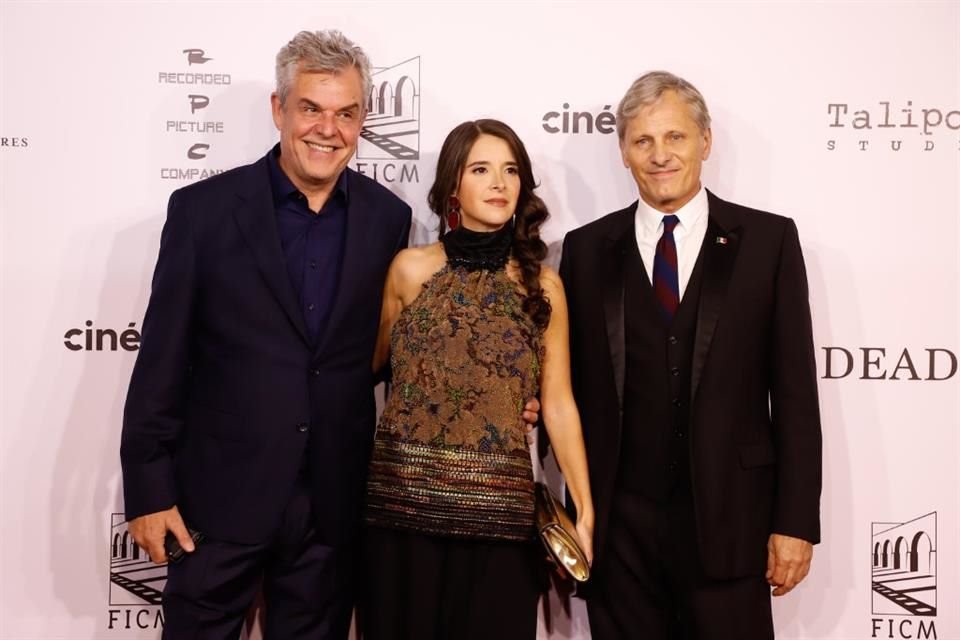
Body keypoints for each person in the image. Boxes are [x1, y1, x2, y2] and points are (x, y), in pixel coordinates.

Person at [119, 30, 413, 639]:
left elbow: (384, 355)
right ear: (279, 109)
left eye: (346, 113)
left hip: (331, 507)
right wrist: (148, 491)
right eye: (310, 108)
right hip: (215, 502)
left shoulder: (389, 218)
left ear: (362, 120)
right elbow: (161, 362)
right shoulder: (202, 212)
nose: (327, 129)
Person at [560, 71, 822, 639]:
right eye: (643, 141)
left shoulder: (768, 242)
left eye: (675, 137)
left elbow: (797, 394)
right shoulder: (584, 250)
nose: (660, 155)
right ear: (623, 151)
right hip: (619, 532)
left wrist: (796, 522)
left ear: (706, 142)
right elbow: (566, 390)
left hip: (733, 524)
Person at [359, 119, 594, 640]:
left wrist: (584, 509)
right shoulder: (409, 270)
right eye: (481, 169)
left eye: (511, 171)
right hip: (403, 517)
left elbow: (558, 404)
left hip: (499, 525)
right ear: (452, 187)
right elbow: (368, 369)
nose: (499, 183)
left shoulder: (544, 284)